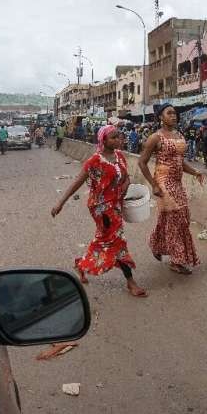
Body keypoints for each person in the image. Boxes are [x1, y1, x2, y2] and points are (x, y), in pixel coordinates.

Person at [52, 125, 147, 298]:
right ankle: (130, 282)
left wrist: (125, 188)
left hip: (116, 206)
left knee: (104, 239)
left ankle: (81, 264)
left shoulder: (119, 157)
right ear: (103, 140)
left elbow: (126, 177)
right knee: (118, 240)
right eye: (113, 137)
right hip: (101, 208)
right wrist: (60, 202)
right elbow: (77, 183)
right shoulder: (95, 160)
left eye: (118, 136)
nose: (118, 140)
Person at [139, 103, 204, 275]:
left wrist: (195, 172)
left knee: (181, 217)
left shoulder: (178, 134)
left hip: (177, 182)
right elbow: (142, 162)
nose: (173, 116)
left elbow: (180, 162)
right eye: (169, 113)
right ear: (161, 117)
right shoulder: (155, 138)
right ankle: (177, 261)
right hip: (163, 181)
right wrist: (153, 185)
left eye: (175, 113)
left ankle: (155, 243)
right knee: (177, 217)